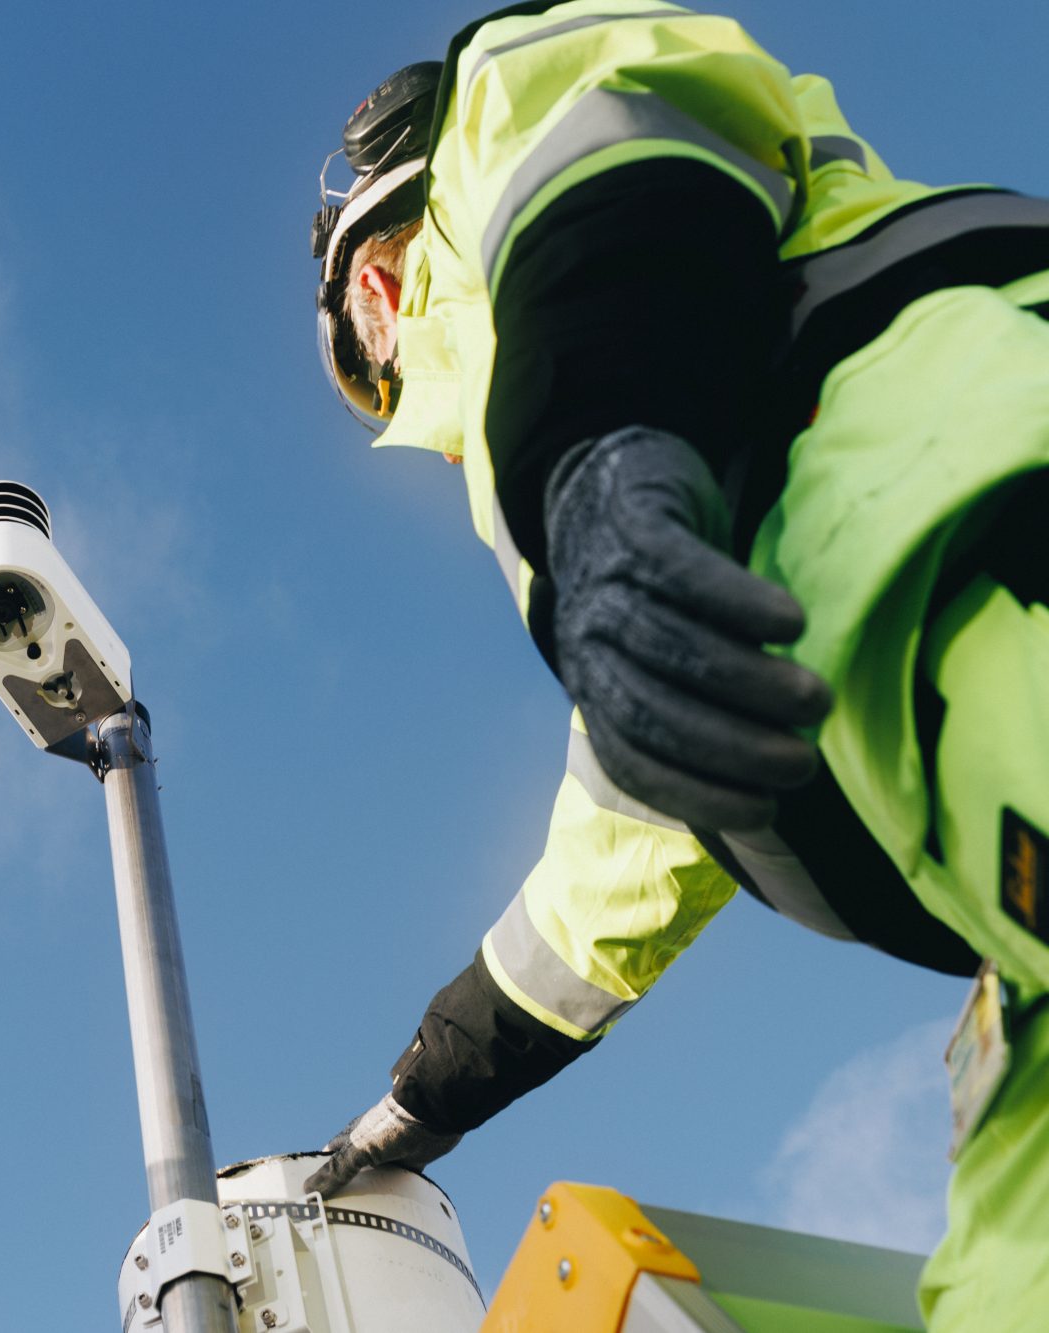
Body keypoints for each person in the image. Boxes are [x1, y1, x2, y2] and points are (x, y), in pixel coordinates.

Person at [301, 6, 1049, 1328]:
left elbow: (612, 155)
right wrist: (428, 1088)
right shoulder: (682, 549)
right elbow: (624, 848)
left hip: (993, 527)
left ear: (375, 292)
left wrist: (590, 437)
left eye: (378, 384)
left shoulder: (508, 124)